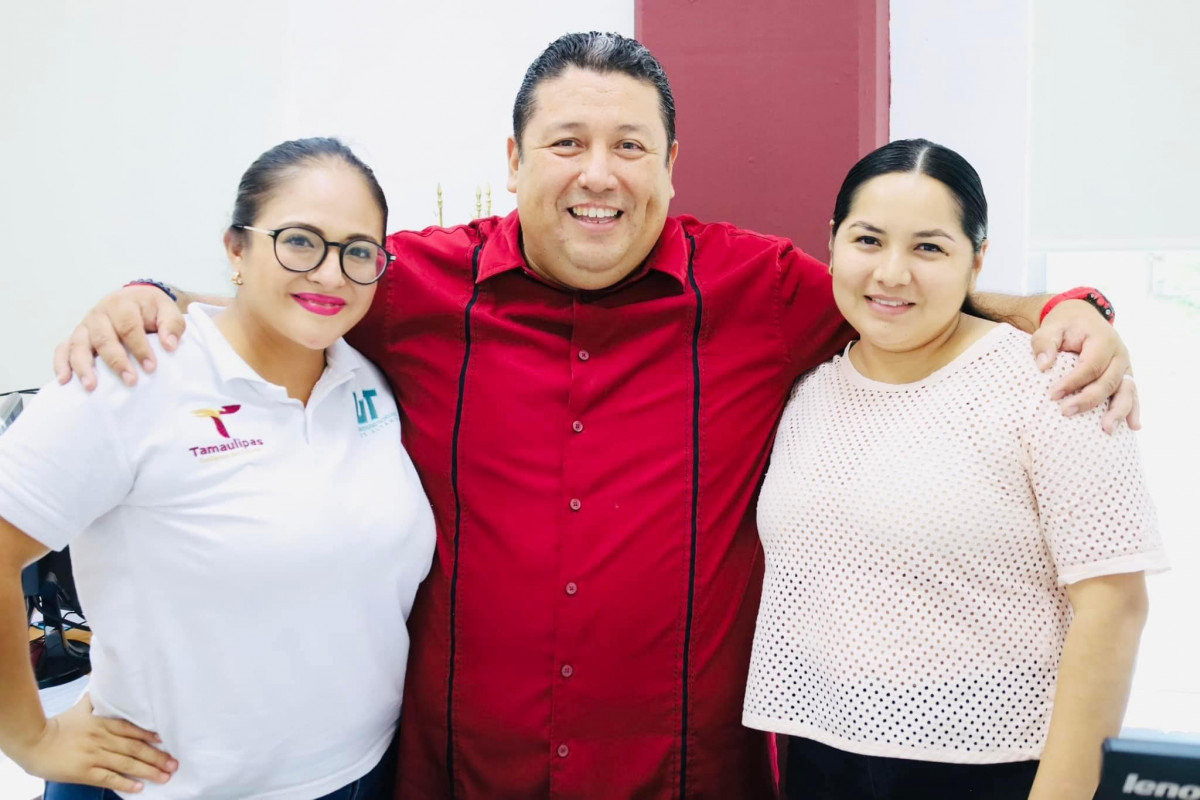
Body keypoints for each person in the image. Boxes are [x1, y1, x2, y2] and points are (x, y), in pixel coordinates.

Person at [56, 34, 1139, 799]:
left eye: (630, 146)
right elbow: (288, 288)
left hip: (686, 776)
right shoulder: (414, 284)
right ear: (513, 159)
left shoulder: (762, 290)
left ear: (671, 165)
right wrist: (150, 292)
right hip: (457, 772)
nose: (599, 175)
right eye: (567, 142)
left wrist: (1067, 307)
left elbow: (899, 290)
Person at [0, 137, 436, 799]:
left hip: (361, 772)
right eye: (298, 241)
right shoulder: (135, 374)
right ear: (236, 249)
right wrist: (30, 739)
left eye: (357, 251)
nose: (330, 274)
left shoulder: (366, 379)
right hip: (176, 786)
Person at [744, 139, 1167, 800]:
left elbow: (1113, 606)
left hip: (998, 770)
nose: (892, 273)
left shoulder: (1056, 382)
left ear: (977, 259)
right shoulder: (805, 387)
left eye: (929, 248)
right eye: (868, 240)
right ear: (832, 243)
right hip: (819, 761)